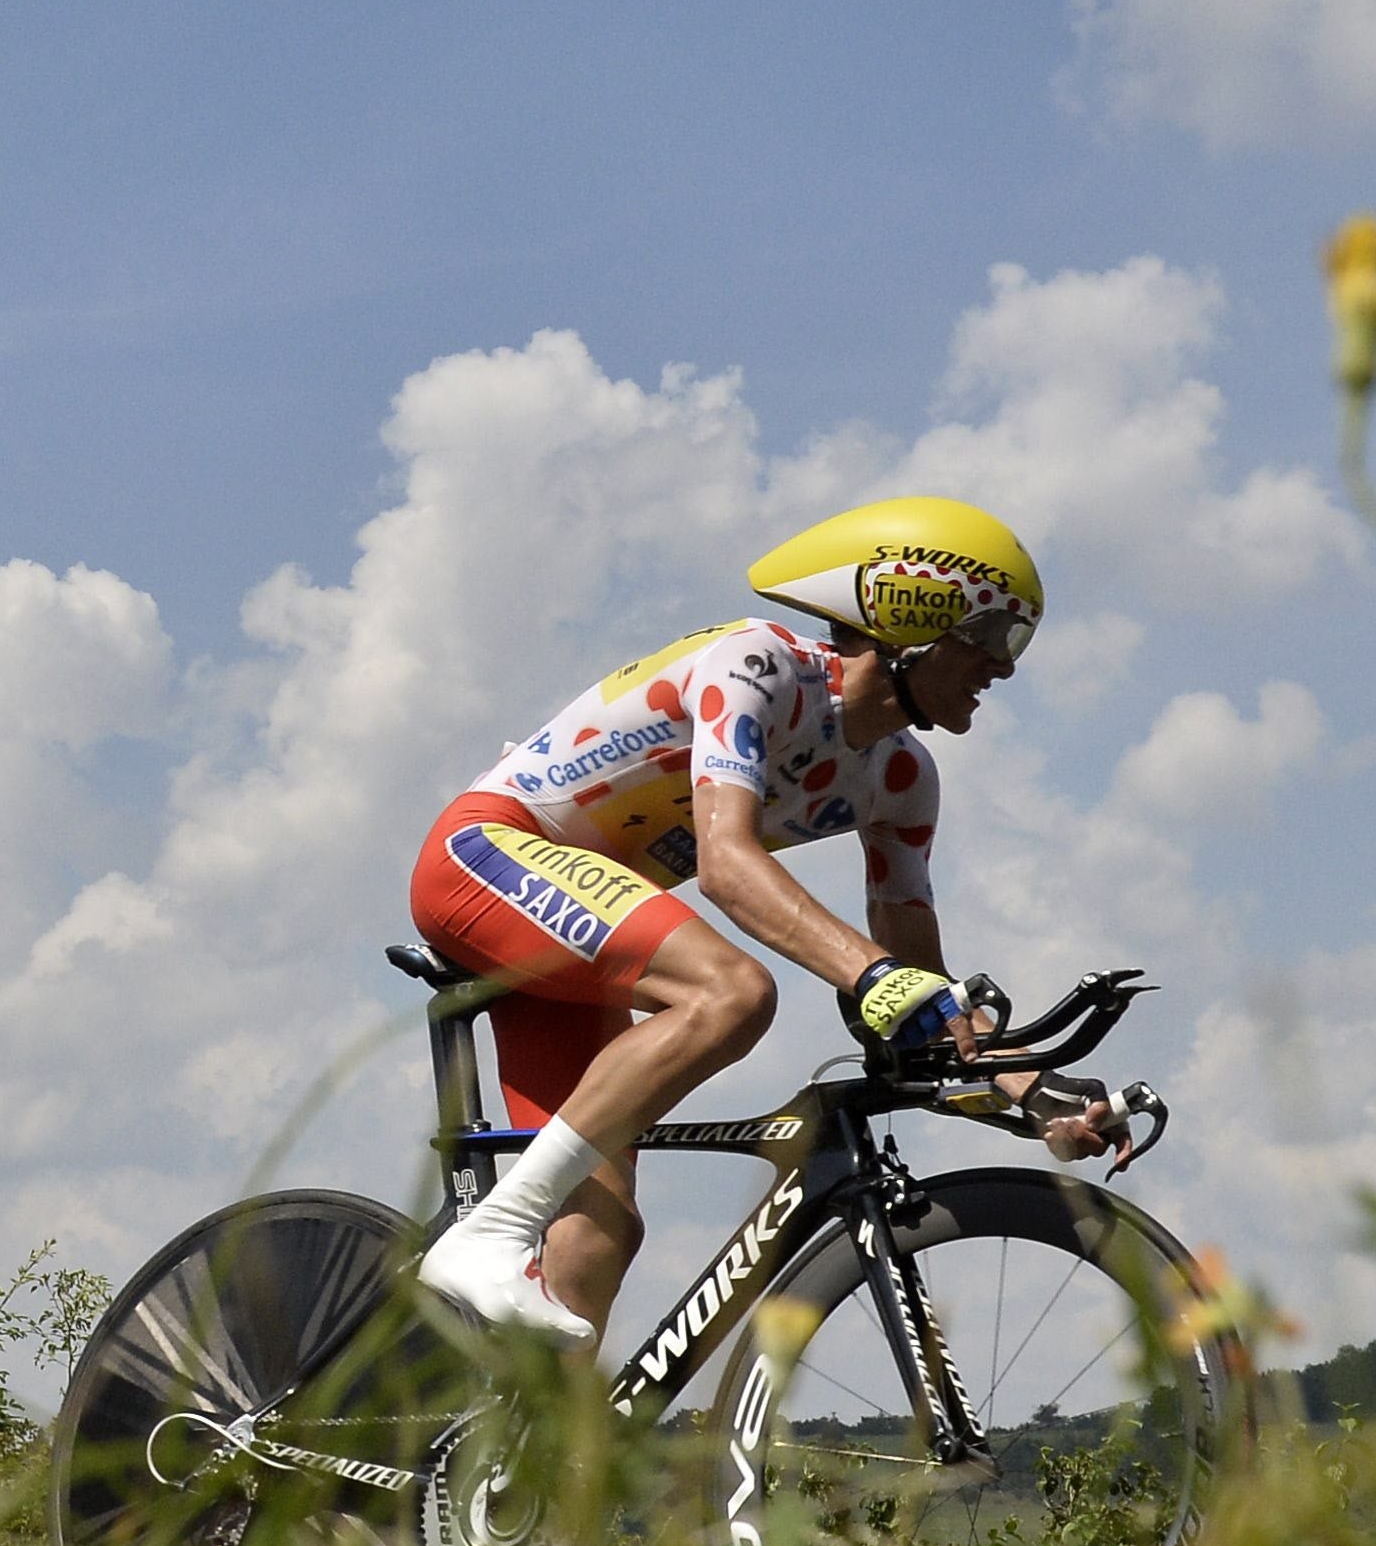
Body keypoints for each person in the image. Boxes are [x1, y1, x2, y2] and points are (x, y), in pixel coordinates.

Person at [407, 496, 1121, 1345]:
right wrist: (870, 975)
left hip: (574, 936)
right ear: (912, 620)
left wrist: (1034, 1092)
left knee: (598, 1236)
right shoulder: (757, 667)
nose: (1002, 667)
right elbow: (726, 863)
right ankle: (489, 1233)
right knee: (733, 993)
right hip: (489, 853)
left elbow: (921, 983)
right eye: (994, 636)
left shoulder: (901, 779)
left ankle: (527, 1435)